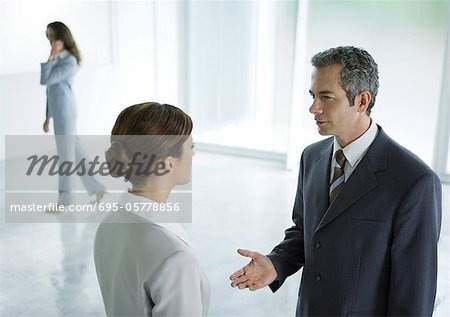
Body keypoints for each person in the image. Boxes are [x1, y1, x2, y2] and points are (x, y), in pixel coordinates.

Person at [230, 46, 442, 316]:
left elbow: (414, 295)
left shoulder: (415, 182)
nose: (313, 107)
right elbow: (305, 232)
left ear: (362, 101)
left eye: (326, 97)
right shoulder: (312, 157)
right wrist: (276, 264)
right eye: (313, 95)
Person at [94, 102, 210, 317]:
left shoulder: (108, 223)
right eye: (190, 147)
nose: (193, 155)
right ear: (166, 164)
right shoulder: (176, 258)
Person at [40, 21, 105, 206]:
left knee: (65, 157)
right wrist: (47, 117)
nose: (50, 40)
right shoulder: (59, 58)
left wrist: (50, 58)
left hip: (66, 112)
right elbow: (50, 91)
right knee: (75, 153)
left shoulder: (69, 60)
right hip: (59, 112)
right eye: (48, 37)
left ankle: (65, 200)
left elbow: (46, 79)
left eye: (52, 36)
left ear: (61, 38)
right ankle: (97, 189)